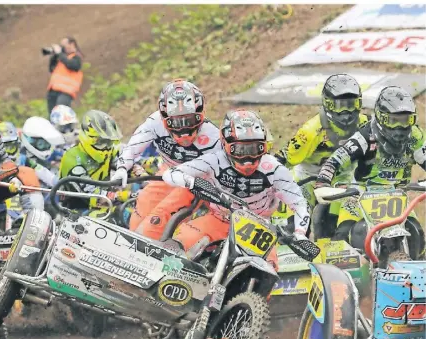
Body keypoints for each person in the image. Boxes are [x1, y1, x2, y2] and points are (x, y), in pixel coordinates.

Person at [162, 109, 310, 257]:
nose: (247, 158)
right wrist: (193, 183)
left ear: (264, 146)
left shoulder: (274, 169)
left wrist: (300, 233)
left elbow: (299, 203)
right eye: (240, 149)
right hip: (219, 219)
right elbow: (170, 174)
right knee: (182, 242)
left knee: (269, 268)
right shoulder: (214, 160)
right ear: (226, 144)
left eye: (254, 149)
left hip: (257, 229)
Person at [315, 86, 425, 254]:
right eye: (393, 120)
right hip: (360, 195)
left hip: (397, 195)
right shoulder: (365, 136)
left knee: (416, 233)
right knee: (346, 235)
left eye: (405, 120)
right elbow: (335, 160)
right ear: (381, 118)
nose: (400, 128)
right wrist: (322, 181)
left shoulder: (416, 137)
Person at [112, 79, 221, 240]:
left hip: (193, 181)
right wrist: (122, 168)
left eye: (190, 120)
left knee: (158, 219)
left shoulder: (212, 136)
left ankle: (152, 254)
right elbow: (133, 147)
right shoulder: (154, 122)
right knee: (141, 210)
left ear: (201, 114)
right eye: (176, 121)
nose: (184, 129)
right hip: (167, 170)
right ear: (164, 117)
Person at [273, 74, 368, 237]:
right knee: (294, 229)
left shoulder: (365, 124)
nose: (347, 112)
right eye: (340, 106)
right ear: (328, 104)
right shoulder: (311, 131)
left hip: (341, 181)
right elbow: (282, 159)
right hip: (308, 179)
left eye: (352, 105)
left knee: (335, 229)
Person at [59, 109, 123, 213]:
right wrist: (121, 196)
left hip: (106, 205)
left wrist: (146, 168)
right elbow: (92, 195)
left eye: (109, 142)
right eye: (102, 142)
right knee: (124, 214)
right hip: (76, 212)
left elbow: (126, 165)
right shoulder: (72, 158)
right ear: (88, 138)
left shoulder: (110, 152)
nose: (106, 147)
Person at [46, 37, 83, 114]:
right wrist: (54, 56)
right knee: (52, 116)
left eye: (63, 45)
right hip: (53, 91)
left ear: (72, 44)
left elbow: (72, 65)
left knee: (62, 115)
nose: (62, 48)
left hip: (65, 92)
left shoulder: (76, 57)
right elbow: (51, 69)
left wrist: (60, 53)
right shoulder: (62, 58)